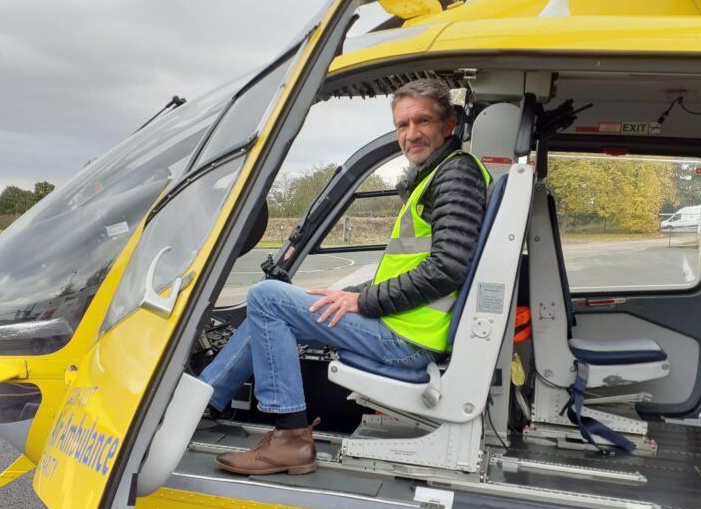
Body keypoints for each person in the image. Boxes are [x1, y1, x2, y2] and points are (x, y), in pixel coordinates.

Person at [200, 78, 490, 476]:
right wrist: (349, 293)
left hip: (407, 339)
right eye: (402, 125)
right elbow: (410, 267)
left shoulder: (455, 176)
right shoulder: (437, 175)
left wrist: (362, 301)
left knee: (267, 296)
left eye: (422, 121)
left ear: (449, 125)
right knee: (273, 306)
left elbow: (447, 269)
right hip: (405, 326)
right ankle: (203, 401)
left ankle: (290, 437)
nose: (411, 134)